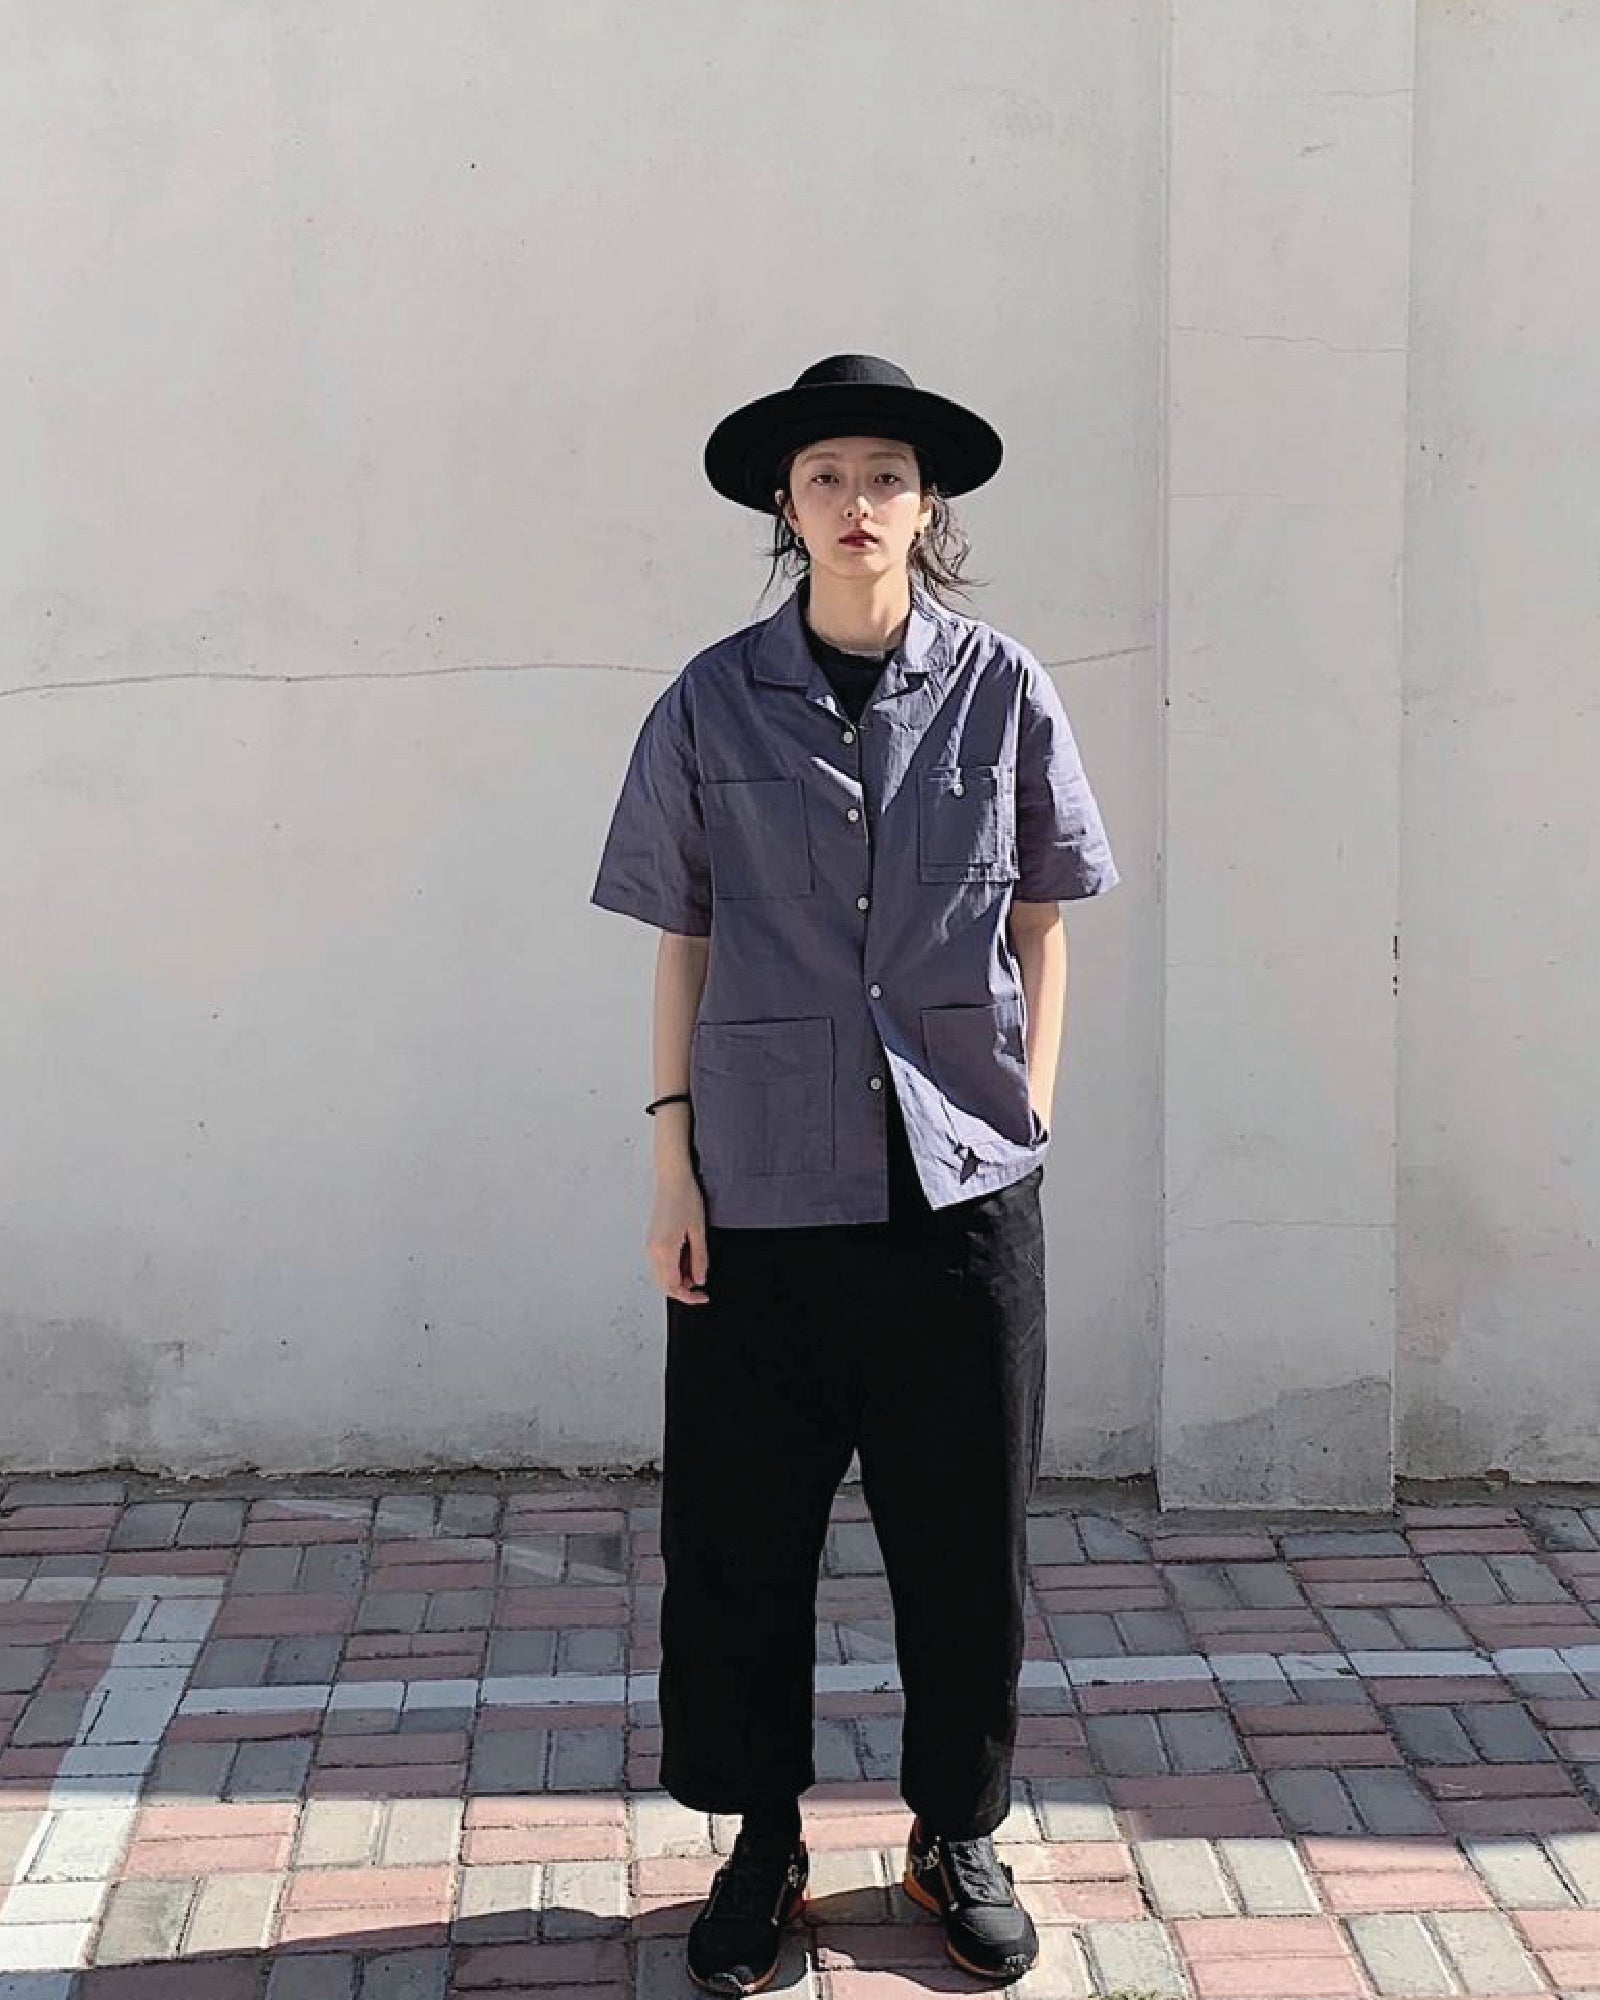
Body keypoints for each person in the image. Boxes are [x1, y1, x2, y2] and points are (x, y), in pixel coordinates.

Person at [590, 353, 1120, 1992]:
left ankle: (953, 1830)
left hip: (960, 1191)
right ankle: (763, 1843)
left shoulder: (1004, 686)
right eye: (827, 477)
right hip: (759, 1188)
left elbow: (1045, 912)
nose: (858, 503)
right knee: (745, 1538)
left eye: (886, 474)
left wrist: (1026, 1111)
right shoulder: (705, 700)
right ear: (785, 506)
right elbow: (681, 937)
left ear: (926, 504)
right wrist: (673, 1162)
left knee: (965, 1534)